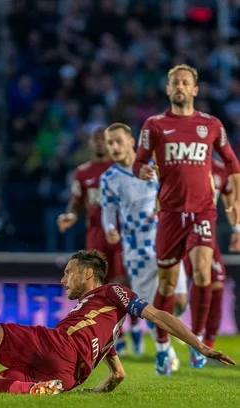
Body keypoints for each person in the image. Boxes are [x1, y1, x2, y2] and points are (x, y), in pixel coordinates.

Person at [0, 250, 234, 395]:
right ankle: (36, 389)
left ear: (89, 273)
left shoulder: (114, 293)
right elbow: (117, 373)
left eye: (69, 273)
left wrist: (198, 344)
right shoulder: (103, 322)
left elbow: (159, 315)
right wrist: (95, 391)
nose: (63, 280)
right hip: (69, 376)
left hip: (57, 347)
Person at [133, 64, 240, 372]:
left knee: (203, 272)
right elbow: (139, 161)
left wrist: (236, 206)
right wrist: (142, 169)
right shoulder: (154, 125)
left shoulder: (211, 124)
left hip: (203, 210)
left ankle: (200, 343)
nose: (180, 86)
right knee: (166, 286)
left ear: (195, 90)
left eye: (185, 82)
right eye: (175, 83)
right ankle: (164, 347)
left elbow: (232, 162)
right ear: (168, 89)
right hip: (169, 214)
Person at [99, 123, 188, 368]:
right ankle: (166, 350)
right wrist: (110, 230)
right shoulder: (108, 178)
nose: (114, 147)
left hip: (166, 238)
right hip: (136, 248)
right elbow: (107, 213)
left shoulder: (154, 166)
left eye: (118, 141)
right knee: (151, 307)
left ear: (132, 141)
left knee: (179, 300)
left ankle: (170, 328)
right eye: (109, 143)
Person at [182, 159, 240, 353]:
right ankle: (166, 338)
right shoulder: (179, 162)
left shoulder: (220, 169)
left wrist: (237, 229)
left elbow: (230, 201)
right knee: (175, 294)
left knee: (216, 285)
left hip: (206, 234)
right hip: (177, 233)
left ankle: (205, 343)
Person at [58, 128, 124, 285]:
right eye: (97, 140)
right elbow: (77, 201)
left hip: (121, 233)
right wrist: (71, 216)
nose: (100, 144)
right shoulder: (82, 172)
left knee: (122, 280)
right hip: (96, 234)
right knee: (97, 282)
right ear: (90, 144)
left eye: (104, 140)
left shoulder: (122, 169)